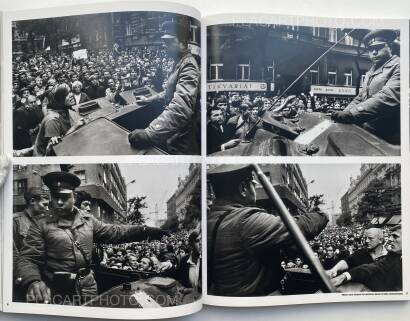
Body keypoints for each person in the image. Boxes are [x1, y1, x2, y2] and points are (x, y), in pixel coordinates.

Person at [16, 171, 169, 305]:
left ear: (74, 197)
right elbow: (28, 258)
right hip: (58, 291)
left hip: (88, 287)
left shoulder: (89, 220)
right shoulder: (40, 224)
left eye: (64, 197)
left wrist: (144, 230)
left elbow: (116, 232)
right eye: (55, 197)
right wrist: (33, 281)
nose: (59, 202)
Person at [207, 164, 328, 296]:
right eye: (253, 183)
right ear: (243, 188)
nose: (255, 187)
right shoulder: (244, 220)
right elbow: (299, 227)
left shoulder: (209, 220)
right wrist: (322, 214)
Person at [128, 20, 200, 155]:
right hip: (175, 135)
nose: (163, 46)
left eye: (168, 42)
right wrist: (150, 99)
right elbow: (171, 92)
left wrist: (150, 133)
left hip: (181, 141)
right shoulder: (180, 62)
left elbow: (181, 107)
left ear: (182, 43)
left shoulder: (188, 66)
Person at [331, 29, 400, 144]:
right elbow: (360, 97)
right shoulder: (371, 71)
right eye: (370, 49)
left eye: (378, 48)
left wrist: (352, 114)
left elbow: (388, 96)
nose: (373, 53)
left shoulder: (399, 66)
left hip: (388, 137)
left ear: (390, 47)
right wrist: (344, 112)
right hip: (367, 130)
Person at [331, 225, 402, 291]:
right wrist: (343, 275)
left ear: (380, 240)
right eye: (365, 238)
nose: (366, 241)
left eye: (395, 236)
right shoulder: (392, 256)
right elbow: (369, 268)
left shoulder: (392, 255)